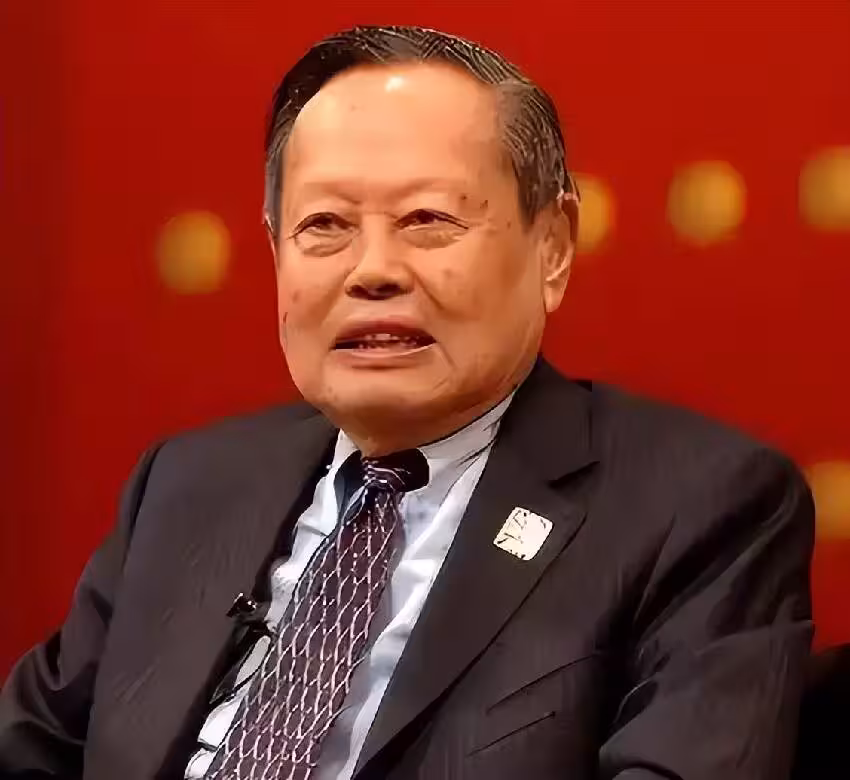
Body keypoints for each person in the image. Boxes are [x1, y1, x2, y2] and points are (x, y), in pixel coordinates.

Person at [0, 25, 815, 780]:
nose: (373, 270)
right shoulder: (188, 485)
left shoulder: (700, 509)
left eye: (427, 219)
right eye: (325, 225)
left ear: (553, 245)